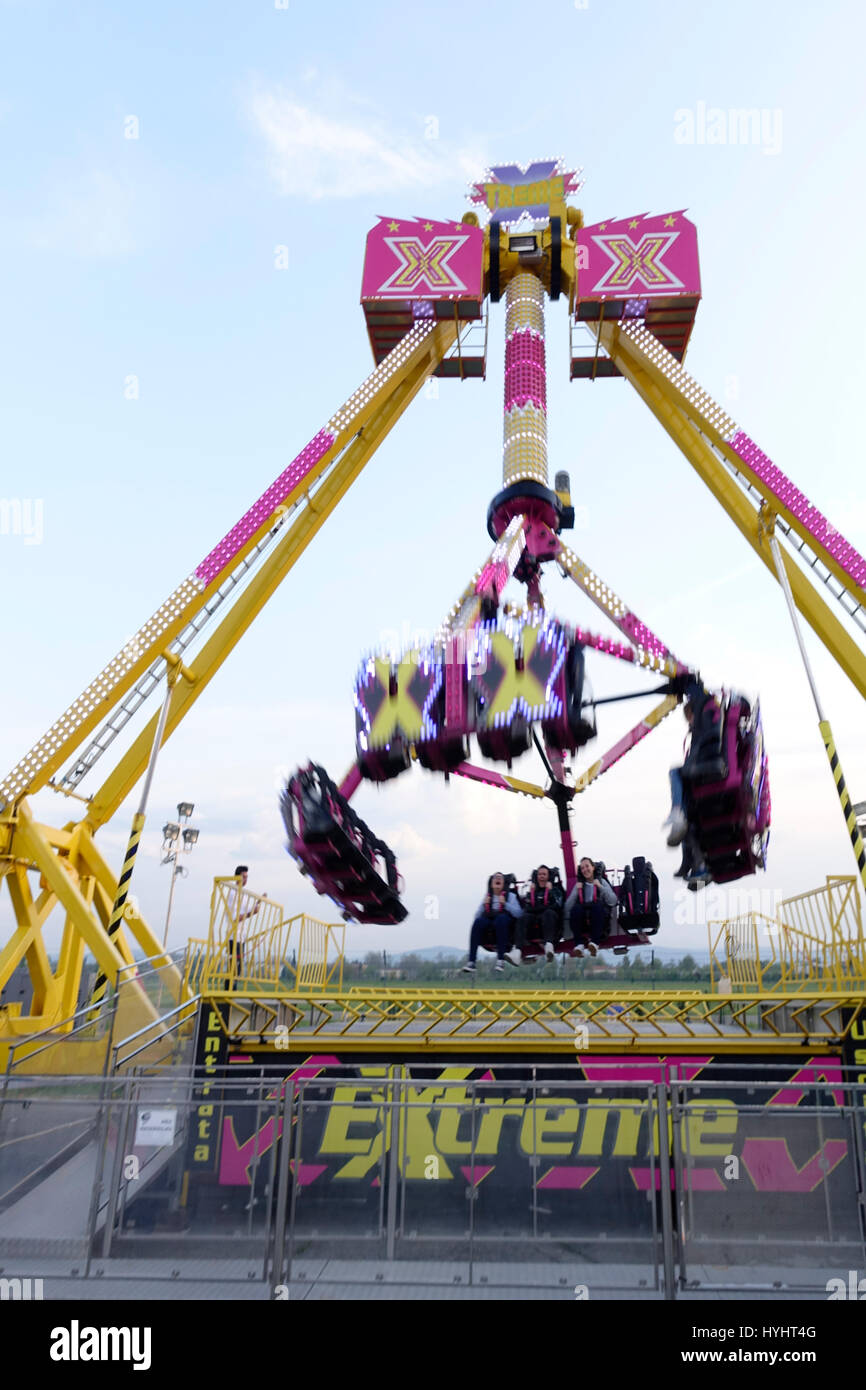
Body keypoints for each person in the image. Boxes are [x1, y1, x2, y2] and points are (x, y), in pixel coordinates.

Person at [661, 688, 714, 887]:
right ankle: (690, 863)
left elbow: (693, 760)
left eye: (689, 717)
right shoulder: (704, 730)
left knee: (674, 772)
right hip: (700, 778)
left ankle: (677, 811)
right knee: (688, 827)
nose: (688, 722)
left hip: (703, 775)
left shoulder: (704, 728)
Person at [462, 872, 522, 973]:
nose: (497, 879)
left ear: (504, 883)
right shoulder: (488, 897)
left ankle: (500, 960)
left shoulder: (510, 896)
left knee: (501, 919)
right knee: (478, 922)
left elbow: (519, 913)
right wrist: (484, 905)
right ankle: (471, 962)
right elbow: (476, 916)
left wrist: (505, 904)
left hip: (505, 922)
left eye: (500, 878)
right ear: (491, 883)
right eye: (495, 878)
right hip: (489, 921)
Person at [507, 865, 565, 964]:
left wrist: (550, 891)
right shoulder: (532, 893)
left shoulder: (555, 890)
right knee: (523, 918)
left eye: (544, 874)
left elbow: (558, 905)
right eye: (539, 874)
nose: (541, 876)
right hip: (534, 927)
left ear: (548, 876)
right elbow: (527, 909)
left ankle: (549, 946)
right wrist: (531, 893)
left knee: (549, 913)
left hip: (551, 925)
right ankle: (517, 952)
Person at [565, 857, 618, 957]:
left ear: (593, 867)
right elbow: (567, 907)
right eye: (582, 868)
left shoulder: (601, 881)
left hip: (600, 921)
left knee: (597, 906)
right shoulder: (580, 885)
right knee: (576, 909)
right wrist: (576, 890)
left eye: (587, 866)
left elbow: (613, 901)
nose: (585, 870)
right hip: (583, 921)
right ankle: (579, 944)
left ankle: (595, 943)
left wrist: (600, 887)